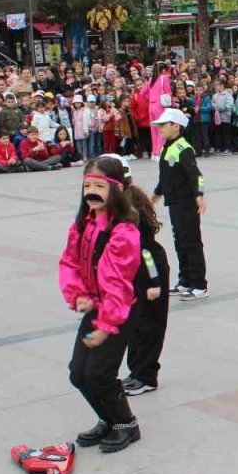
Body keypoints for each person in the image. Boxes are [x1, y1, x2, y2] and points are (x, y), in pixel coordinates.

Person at [59, 156, 143, 454]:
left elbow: (118, 285)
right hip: (96, 307)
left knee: (98, 373)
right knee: (77, 372)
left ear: (116, 190)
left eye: (99, 185)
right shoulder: (84, 224)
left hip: (118, 313)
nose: (91, 191)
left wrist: (107, 326)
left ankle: (126, 424)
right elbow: (69, 262)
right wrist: (76, 293)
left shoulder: (124, 232)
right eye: (87, 185)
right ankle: (108, 418)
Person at [100, 154, 170, 398]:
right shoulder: (118, 201)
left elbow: (146, 251)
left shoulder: (129, 205)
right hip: (135, 271)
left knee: (149, 325)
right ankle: (136, 371)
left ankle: (146, 376)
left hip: (149, 269)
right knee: (136, 325)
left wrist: (152, 282)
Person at [151, 108, 208, 301]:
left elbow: (196, 176)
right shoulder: (166, 147)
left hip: (186, 203)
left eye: (163, 124)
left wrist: (199, 195)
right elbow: (165, 176)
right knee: (180, 242)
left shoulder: (184, 149)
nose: (159, 128)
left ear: (176, 126)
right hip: (174, 203)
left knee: (191, 243)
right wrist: (156, 195)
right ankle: (185, 280)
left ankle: (199, 285)